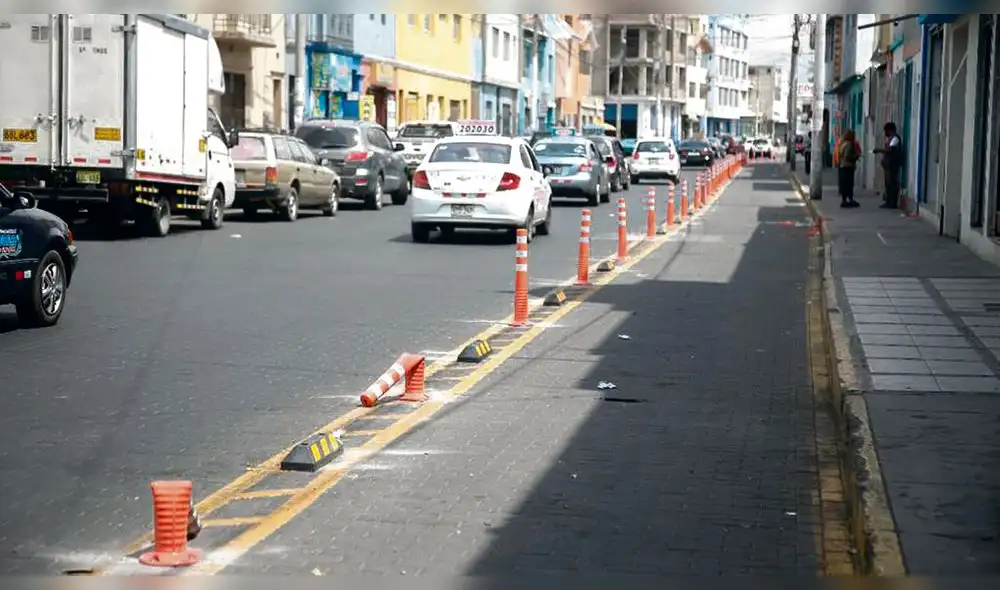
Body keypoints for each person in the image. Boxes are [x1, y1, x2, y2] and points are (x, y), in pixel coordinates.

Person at [873, 122, 903, 209]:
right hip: (888, 165)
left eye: (886, 130)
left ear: (890, 130)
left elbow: (890, 150)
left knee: (892, 183)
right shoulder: (891, 138)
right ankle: (889, 200)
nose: (885, 133)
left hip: (893, 165)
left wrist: (879, 150)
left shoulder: (895, 139)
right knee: (888, 183)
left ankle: (892, 202)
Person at [837, 129, 862, 208]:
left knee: (845, 184)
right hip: (848, 166)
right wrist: (856, 156)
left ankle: (845, 200)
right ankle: (849, 200)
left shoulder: (843, 143)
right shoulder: (848, 144)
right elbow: (847, 156)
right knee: (849, 184)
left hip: (843, 166)